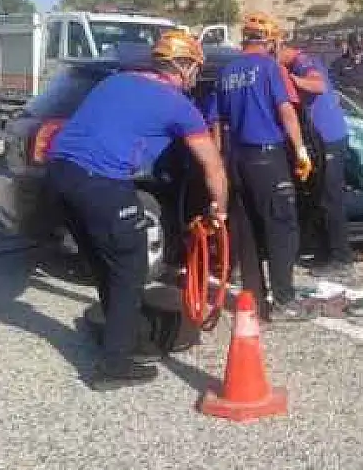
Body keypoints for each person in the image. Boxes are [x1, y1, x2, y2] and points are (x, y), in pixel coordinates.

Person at [46, 29, 229, 390]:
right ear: (184, 65)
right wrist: (218, 211)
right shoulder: (180, 106)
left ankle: (123, 334)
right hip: (99, 180)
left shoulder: (116, 81)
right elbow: (213, 166)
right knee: (130, 264)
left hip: (57, 174)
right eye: (194, 68)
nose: (195, 76)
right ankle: (112, 365)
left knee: (104, 260)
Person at [213, 12, 315, 322]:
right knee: (281, 227)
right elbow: (286, 111)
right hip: (267, 157)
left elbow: (217, 122)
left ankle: (253, 299)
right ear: (269, 41)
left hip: (237, 159)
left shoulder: (226, 71)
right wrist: (300, 151)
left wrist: (220, 162)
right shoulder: (271, 68)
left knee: (248, 231)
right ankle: (284, 301)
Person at [278, 42, 354, 280]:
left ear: (285, 48)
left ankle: (342, 258)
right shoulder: (302, 63)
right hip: (321, 140)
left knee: (331, 199)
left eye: (276, 54)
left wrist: (289, 79)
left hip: (330, 139)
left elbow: (318, 85)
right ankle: (324, 253)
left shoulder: (303, 62)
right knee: (321, 196)